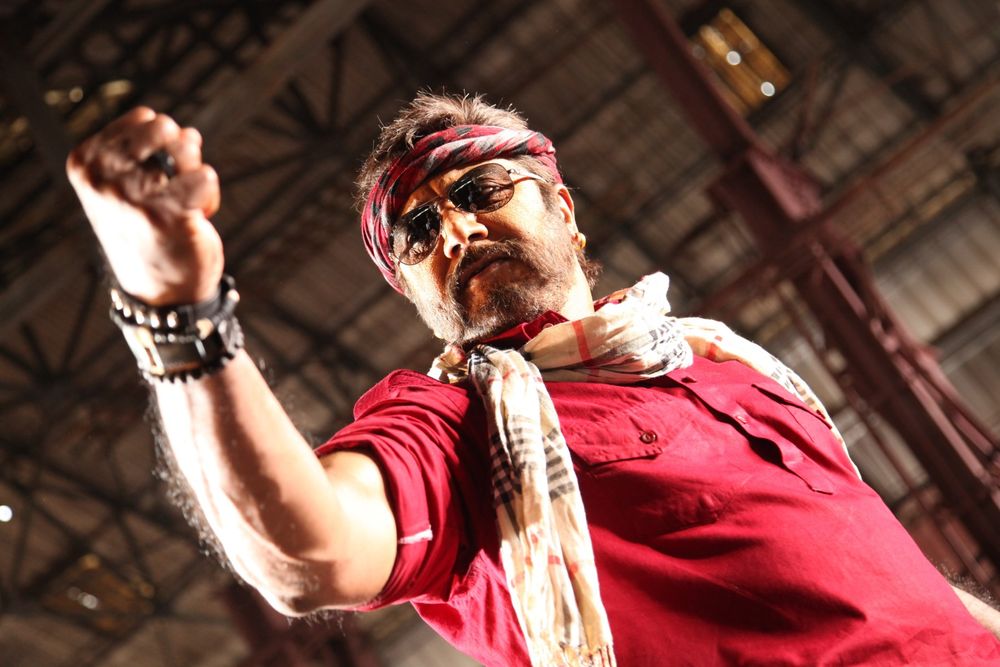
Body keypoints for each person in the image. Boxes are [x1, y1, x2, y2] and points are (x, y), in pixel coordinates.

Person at [67, 92, 1000, 666]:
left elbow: (893, 575)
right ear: (417, 296)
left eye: (479, 193)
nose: (456, 232)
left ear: (564, 212)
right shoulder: (454, 428)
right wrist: (175, 311)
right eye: (418, 235)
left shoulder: (731, 368)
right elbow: (308, 554)